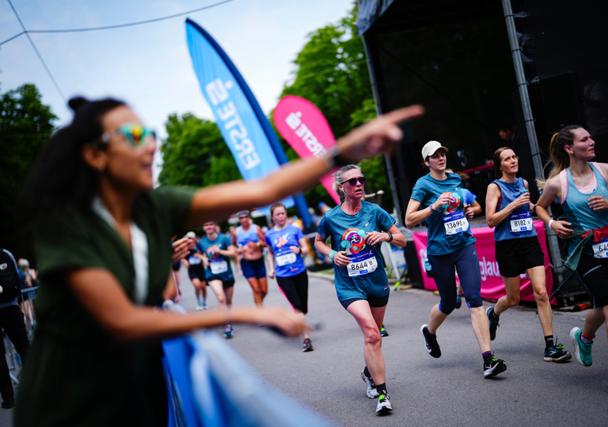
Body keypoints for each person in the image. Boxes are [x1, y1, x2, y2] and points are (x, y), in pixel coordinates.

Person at [12, 96, 422, 425]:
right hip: (64, 403)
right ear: (96, 156)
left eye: (150, 132)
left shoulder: (157, 208)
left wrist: (342, 151)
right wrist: (247, 315)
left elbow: (264, 188)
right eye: (134, 134)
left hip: (137, 390)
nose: (151, 143)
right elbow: (122, 319)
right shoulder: (67, 222)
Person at [534, 125, 608, 400]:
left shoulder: (606, 170)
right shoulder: (559, 182)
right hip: (584, 250)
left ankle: (584, 337)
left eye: (591, 137)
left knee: (604, 306)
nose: (592, 142)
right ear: (569, 148)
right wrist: (553, 223)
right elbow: (539, 207)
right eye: (585, 139)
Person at [405, 140, 507, 378]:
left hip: (464, 244)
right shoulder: (423, 184)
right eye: (435, 155)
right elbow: (409, 219)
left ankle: (488, 359)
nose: (441, 158)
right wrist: (434, 207)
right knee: (448, 303)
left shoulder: (455, 180)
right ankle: (430, 332)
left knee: (475, 300)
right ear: (427, 161)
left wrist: (473, 210)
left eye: (443, 153)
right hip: (440, 251)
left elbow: (472, 204)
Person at [315, 164, 406, 416]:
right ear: (341, 188)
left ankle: (368, 372)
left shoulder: (375, 212)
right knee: (372, 334)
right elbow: (319, 241)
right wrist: (333, 253)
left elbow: (402, 239)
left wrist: (385, 237)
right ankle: (382, 394)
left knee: (374, 334)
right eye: (352, 181)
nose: (359, 184)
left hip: (376, 282)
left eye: (361, 180)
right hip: (349, 285)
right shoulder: (331, 218)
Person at [484, 147, 570, 362]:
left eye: (514, 156)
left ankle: (550, 345)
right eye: (507, 159)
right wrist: (513, 205)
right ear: (500, 165)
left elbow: (528, 208)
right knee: (513, 299)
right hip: (507, 246)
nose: (513, 161)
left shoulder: (523, 183)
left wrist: (536, 208)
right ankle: (494, 313)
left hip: (529, 241)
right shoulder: (495, 187)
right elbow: (490, 220)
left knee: (541, 292)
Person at [266, 203, 314, 352]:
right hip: (283, 275)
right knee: (297, 306)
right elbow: (270, 252)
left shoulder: (295, 229)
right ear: (273, 217)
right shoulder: (269, 234)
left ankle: (298, 321)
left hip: (299, 272)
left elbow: (306, 249)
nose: (281, 216)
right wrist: (271, 269)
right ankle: (306, 338)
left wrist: (299, 250)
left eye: (283, 213)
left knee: (303, 307)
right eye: (277, 214)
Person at [0, 247, 30, 409]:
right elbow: (19, 278)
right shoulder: (6, 254)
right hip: (10, 307)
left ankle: (8, 398)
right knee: (24, 348)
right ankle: (34, 389)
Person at [200, 221, 237, 338]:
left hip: (227, 273)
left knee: (228, 301)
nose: (208, 227)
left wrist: (219, 251)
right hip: (212, 273)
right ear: (203, 227)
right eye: (206, 225)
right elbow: (199, 254)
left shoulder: (224, 238)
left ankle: (228, 318)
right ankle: (227, 325)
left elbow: (233, 253)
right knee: (221, 298)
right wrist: (203, 259)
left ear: (215, 226)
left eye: (211, 224)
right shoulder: (201, 242)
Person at [235, 211, 269, 306]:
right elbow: (233, 247)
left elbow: (266, 242)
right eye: (242, 218)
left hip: (259, 262)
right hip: (246, 263)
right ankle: (260, 311)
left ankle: (259, 304)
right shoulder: (236, 232)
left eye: (246, 217)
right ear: (239, 220)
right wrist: (239, 250)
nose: (244, 219)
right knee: (256, 289)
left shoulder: (256, 228)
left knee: (264, 290)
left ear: (249, 218)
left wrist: (257, 244)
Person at [182, 231, 209, 310]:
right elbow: (181, 257)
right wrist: (185, 261)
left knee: (203, 287)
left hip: (200, 268)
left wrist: (202, 258)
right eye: (188, 238)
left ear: (194, 238)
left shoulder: (198, 245)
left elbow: (204, 254)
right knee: (197, 285)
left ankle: (204, 302)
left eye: (191, 238)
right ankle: (199, 302)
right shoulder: (185, 247)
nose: (190, 240)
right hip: (192, 269)